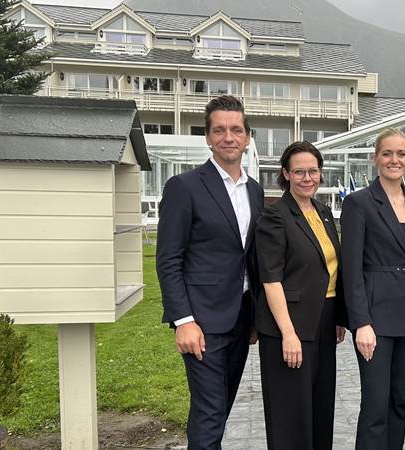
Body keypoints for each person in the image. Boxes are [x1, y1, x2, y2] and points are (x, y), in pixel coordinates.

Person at [156, 95, 264, 449]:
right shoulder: (184, 187)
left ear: (248, 137)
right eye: (219, 130)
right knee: (210, 411)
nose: (228, 137)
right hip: (201, 321)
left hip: (240, 320)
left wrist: (254, 318)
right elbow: (169, 259)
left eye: (236, 130)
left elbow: (250, 256)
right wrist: (183, 320)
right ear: (208, 137)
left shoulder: (255, 191)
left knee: (222, 408)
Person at [341, 128, 405, 450]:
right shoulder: (359, 203)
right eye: (387, 153)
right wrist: (360, 323)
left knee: (399, 400)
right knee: (376, 403)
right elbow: (351, 268)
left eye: (401, 154)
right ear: (375, 158)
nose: (394, 160)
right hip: (375, 316)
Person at [254, 141, 347, 450]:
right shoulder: (275, 216)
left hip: (323, 319)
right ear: (286, 174)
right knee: (291, 414)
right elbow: (271, 279)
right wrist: (288, 333)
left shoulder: (322, 211)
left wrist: (337, 317)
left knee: (321, 406)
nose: (307, 178)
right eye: (299, 172)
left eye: (313, 171)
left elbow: (329, 267)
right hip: (289, 325)